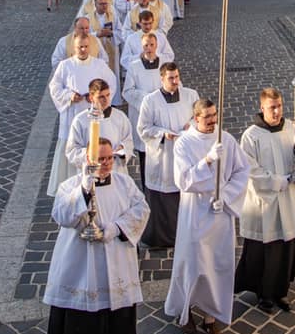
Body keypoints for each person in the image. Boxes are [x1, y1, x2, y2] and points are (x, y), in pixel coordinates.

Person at [43, 137, 149, 334]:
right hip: (85, 270)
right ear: (88, 160)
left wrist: (111, 230)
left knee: (119, 325)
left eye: (109, 158)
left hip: (118, 266)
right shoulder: (71, 185)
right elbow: (62, 214)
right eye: (100, 159)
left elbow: (141, 209)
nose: (105, 164)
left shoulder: (124, 184)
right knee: (90, 326)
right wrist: (84, 189)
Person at [164, 98, 249, 334]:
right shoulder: (184, 144)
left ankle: (211, 319)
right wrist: (208, 161)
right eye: (208, 117)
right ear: (195, 119)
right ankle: (184, 310)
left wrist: (227, 196)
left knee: (217, 266)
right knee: (191, 265)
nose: (213, 120)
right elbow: (184, 181)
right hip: (194, 214)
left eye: (215, 115)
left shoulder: (226, 139)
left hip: (219, 214)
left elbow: (242, 171)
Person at [234, 88, 295, 313]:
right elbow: (251, 170)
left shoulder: (292, 128)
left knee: (288, 246)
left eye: (279, 107)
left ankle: (281, 291)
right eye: (272, 108)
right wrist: (280, 180)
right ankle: (263, 294)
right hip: (266, 202)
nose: (277, 112)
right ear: (262, 108)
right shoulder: (251, 135)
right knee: (266, 249)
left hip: (290, 198)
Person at [137, 63, 199, 249]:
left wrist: (190, 124)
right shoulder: (150, 100)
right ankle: (161, 238)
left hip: (185, 153)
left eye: (177, 77)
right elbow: (143, 129)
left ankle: (186, 233)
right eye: (171, 78)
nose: (175, 81)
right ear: (161, 78)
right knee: (162, 197)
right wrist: (164, 133)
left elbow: (198, 117)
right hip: (163, 156)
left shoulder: (191, 95)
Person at [47, 33, 117, 195]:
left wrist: (99, 99)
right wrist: (70, 96)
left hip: (94, 115)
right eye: (80, 47)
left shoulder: (99, 65)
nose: (84, 50)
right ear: (74, 47)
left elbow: (111, 83)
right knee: (74, 148)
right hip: (73, 113)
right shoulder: (65, 66)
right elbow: (55, 88)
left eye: (86, 46)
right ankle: (72, 190)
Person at [122, 33, 162, 189]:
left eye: (152, 45)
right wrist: (146, 99)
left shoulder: (165, 63)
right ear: (142, 46)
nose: (149, 48)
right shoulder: (134, 66)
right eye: (146, 45)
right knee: (145, 154)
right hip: (142, 116)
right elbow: (127, 91)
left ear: (156, 45)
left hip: (160, 116)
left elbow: (176, 84)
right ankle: (146, 188)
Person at [66, 79, 133, 173]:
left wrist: (123, 148)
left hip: (116, 170)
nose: (106, 100)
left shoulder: (120, 117)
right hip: (91, 172)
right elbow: (72, 151)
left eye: (108, 95)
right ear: (91, 97)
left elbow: (128, 140)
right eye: (101, 97)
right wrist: (93, 153)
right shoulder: (80, 120)